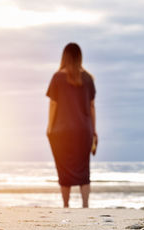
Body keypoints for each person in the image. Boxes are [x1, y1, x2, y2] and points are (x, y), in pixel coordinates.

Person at [46, 43, 97, 208]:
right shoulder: (88, 78)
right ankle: (85, 205)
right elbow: (91, 106)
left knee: (64, 167)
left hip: (61, 130)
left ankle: (66, 205)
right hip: (84, 129)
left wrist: (49, 126)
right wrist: (94, 130)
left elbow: (53, 105)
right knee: (84, 168)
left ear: (64, 56)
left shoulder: (58, 77)